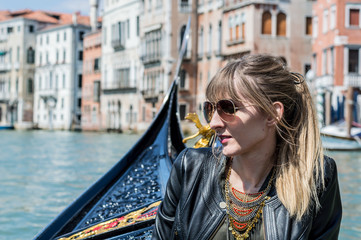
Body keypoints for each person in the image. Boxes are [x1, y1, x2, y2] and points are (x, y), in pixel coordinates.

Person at [152, 54, 342, 239]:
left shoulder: (316, 178)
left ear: (272, 114)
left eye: (228, 108)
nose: (213, 124)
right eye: (210, 109)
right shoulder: (189, 168)